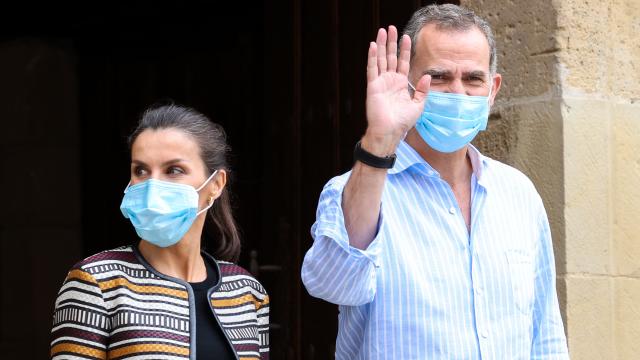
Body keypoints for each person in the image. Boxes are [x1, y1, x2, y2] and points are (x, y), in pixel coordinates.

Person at [301, 4, 569, 359]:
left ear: (493, 89)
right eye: (439, 77)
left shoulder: (518, 194)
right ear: (406, 81)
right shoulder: (356, 191)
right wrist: (380, 140)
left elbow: (545, 333)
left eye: (473, 79)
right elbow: (333, 284)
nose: (457, 92)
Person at [50, 104, 270, 359]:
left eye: (174, 170)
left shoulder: (246, 291)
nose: (153, 185)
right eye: (140, 170)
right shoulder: (96, 282)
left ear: (216, 185)